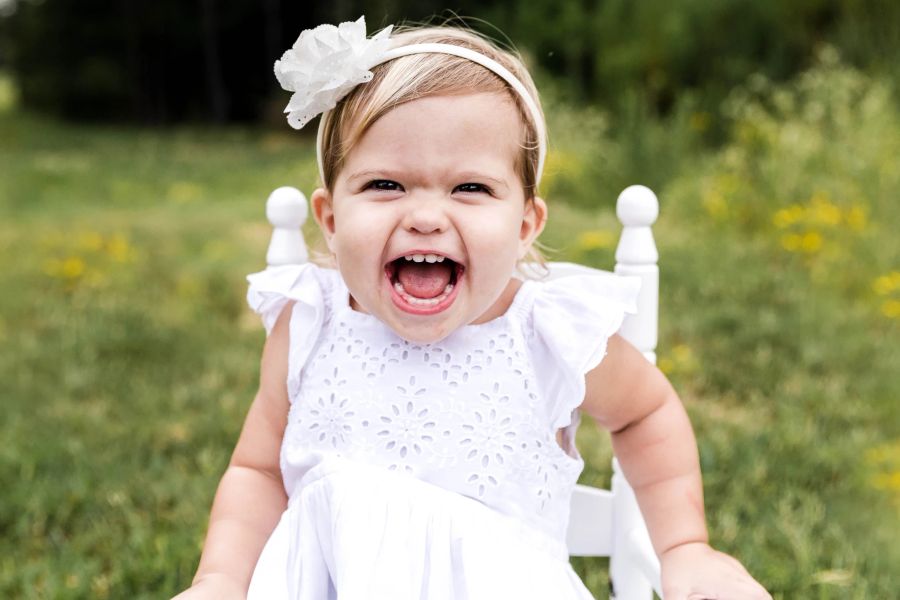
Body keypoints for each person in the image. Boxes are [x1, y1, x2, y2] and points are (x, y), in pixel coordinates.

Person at [174, 16, 771, 600]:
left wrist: (685, 546)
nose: (427, 216)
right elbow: (259, 471)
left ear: (524, 227)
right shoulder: (310, 321)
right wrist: (221, 580)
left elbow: (645, 414)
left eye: (471, 188)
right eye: (385, 185)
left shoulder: (546, 334)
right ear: (330, 219)